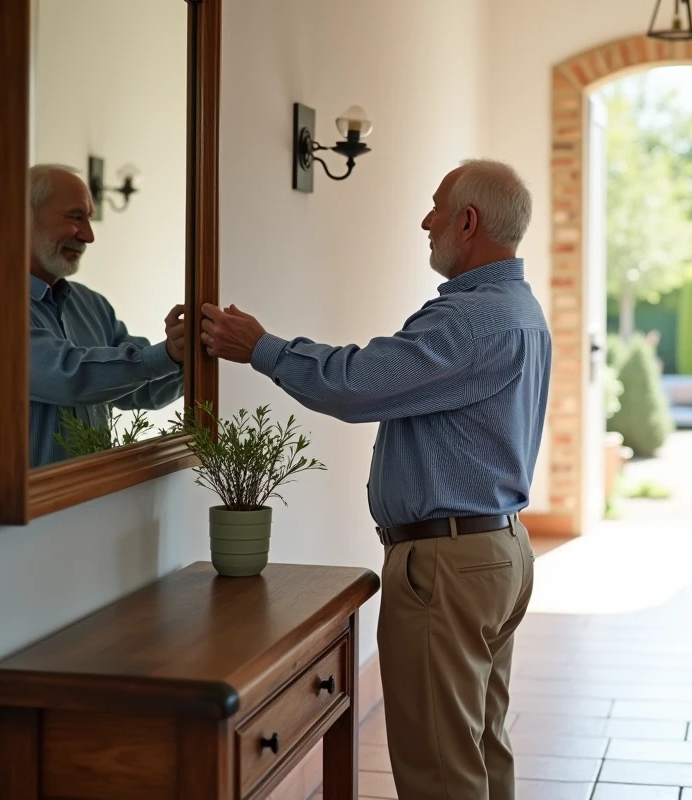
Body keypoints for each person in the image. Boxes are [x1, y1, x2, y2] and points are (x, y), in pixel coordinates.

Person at [200, 159, 550, 799]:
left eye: (436, 207)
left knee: (439, 772)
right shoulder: (520, 309)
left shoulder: (470, 319)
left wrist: (260, 346)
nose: (425, 220)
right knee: (480, 751)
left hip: (449, 566)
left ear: (468, 222)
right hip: (497, 553)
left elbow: (356, 385)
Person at [27, 163, 186, 467]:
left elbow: (143, 391)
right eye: (76, 217)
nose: (88, 236)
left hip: (97, 503)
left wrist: (185, 357)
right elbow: (68, 376)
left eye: (88, 219)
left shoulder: (93, 306)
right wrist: (165, 355)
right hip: (30, 512)